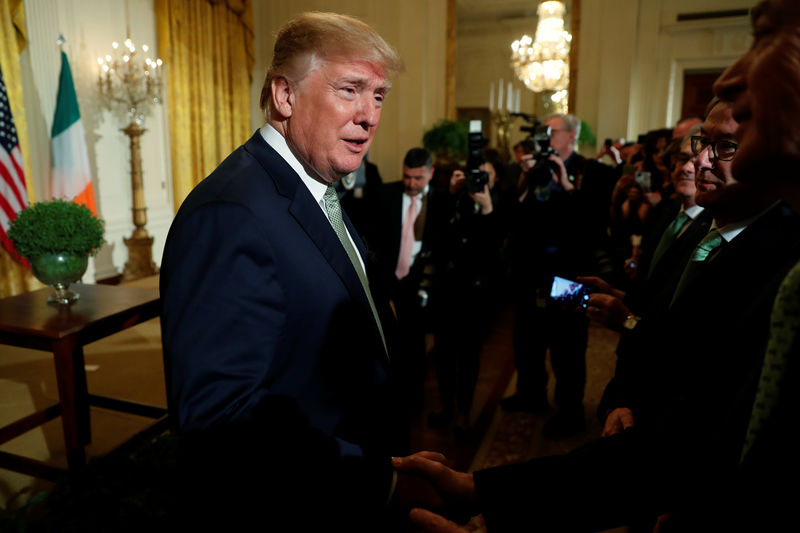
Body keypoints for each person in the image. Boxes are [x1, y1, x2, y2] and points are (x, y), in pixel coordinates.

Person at [394, 92, 800, 532]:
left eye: (723, 147)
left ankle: (566, 410)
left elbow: (701, 427)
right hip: (629, 432)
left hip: (685, 487)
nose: (699, 160)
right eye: (702, 142)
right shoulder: (701, 226)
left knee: (567, 355)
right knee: (532, 348)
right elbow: (659, 329)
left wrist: (476, 491)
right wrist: (624, 396)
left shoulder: (782, 267)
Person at [160, 13, 443, 530]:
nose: (369, 115)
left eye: (378, 95)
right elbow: (219, 417)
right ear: (284, 97)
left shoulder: (316, 187)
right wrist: (384, 484)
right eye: (350, 89)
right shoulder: (230, 212)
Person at [501, 113, 604, 440]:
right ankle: (531, 393)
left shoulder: (591, 171)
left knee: (569, 345)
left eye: (551, 132)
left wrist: (568, 187)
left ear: (571, 136)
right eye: (542, 132)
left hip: (571, 276)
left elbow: (595, 224)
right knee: (527, 339)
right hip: (530, 272)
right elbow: (514, 218)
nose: (545, 137)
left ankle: (570, 410)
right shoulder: (534, 170)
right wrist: (524, 179)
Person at [429, 150, 509, 435]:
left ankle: (464, 411)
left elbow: (494, 253)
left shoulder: (501, 203)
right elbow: (436, 235)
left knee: (469, 355)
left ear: (497, 176)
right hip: (447, 288)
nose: (478, 179)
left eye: (485, 174)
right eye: (475, 173)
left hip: (475, 293)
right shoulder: (459, 197)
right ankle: (446, 405)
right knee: (444, 352)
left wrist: (487, 210)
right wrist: (451, 194)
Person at [372, 147, 451, 412]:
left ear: (431, 173)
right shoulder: (386, 194)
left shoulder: (442, 203)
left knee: (416, 348)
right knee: (388, 345)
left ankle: (414, 399)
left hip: (420, 284)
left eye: (418, 178)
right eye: (407, 177)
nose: (412, 184)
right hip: (388, 281)